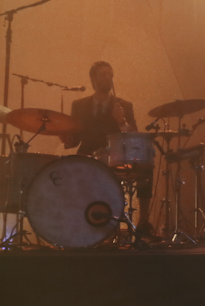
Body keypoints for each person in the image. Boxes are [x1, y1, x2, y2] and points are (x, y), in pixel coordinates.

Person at [62, 61, 154, 236]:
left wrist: (122, 122)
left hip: (115, 160)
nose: (108, 77)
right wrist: (67, 138)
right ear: (93, 79)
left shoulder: (123, 105)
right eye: (103, 74)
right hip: (87, 157)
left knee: (146, 166)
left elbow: (134, 136)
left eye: (110, 74)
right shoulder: (79, 105)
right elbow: (73, 141)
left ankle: (143, 221)